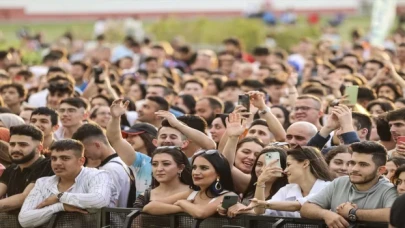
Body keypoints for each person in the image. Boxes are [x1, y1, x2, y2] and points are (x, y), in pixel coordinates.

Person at [18, 139, 114, 228]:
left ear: (81, 161)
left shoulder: (97, 175)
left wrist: (59, 197)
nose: (57, 163)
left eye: (65, 158)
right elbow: (24, 220)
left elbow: (99, 199)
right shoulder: (43, 182)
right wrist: (60, 206)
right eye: (54, 159)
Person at [301, 141, 398, 226]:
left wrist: (352, 213)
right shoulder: (340, 182)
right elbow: (306, 208)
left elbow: (395, 214)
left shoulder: (388, 189)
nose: (354, 169)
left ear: (380, 170)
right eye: (352, 163)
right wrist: (326, 214)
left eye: (363, 165)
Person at [142, 149, 236, 219]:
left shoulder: (230, 196)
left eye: (204, 168)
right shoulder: (191, 193)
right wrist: (181, 208)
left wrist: (182, 202)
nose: (196, 172)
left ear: (218, 173)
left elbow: (201, 213)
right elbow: (149, 207)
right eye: (194, 167)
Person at [246, 146, 331, 218]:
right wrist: (261, 182)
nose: (285, 170)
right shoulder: (286, 190)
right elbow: (260, 212)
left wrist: (263, 204)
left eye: (288, 165)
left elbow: (298, 205)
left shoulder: (328, 187)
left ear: (305, 164)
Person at [72, 123, 132, 207]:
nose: (84, 154)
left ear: (97, 145)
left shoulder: (109, 170)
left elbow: (108, 206)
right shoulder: (119, 161)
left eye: (85, 150)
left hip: (111, 219)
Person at [0, 125, 53, 213]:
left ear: (39, 148)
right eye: (12, 144)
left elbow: (24, 197)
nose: (16, 149)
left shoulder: (47, 165)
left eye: (23, 145)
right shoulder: (11, 168)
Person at [107, 99, 153, 196]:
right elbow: (115, 139)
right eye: (127, 136)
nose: (128, 139)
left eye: (134, 135)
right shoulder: (141, 161)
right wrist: (115, 118)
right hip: (141, 210)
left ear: (149, 137)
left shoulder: (176, 160)